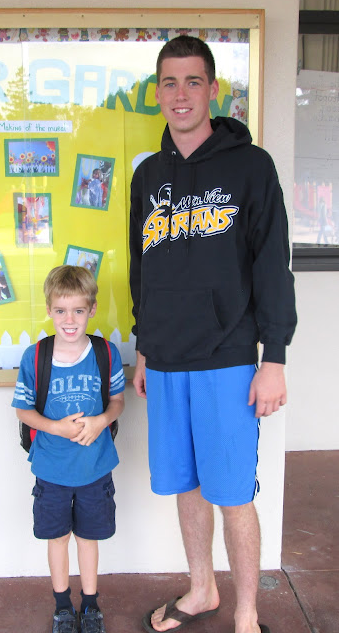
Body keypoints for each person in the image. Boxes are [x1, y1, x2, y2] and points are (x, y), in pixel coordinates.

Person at [129, 36, 297, 633]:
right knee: (187, 486)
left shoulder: (251, 167)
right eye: (170, 83)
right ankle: (202, 590)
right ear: (157, 93)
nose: (181, 94)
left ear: (213, 90)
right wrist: (144, 346)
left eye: (193, 81)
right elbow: (141, 267)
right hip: (165, 359)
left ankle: (247, 612)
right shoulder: (148, 175)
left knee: (232, 493)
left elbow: (272, 264)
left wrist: (274, 357)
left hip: (228, 358)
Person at [12, 265, 125, 633]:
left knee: (88, 538)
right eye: (61, 311)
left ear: (92, 309)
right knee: (57, 537)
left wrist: (101, 421)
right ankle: (63, 607)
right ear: (49, 310)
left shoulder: (105, 352)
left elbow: (118, 401)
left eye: (78, 310)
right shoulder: (35, 356)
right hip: (51, 468)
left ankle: (90, 605)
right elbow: (23, 410)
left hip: (95, 467)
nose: (70, 320)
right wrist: (56, 427)